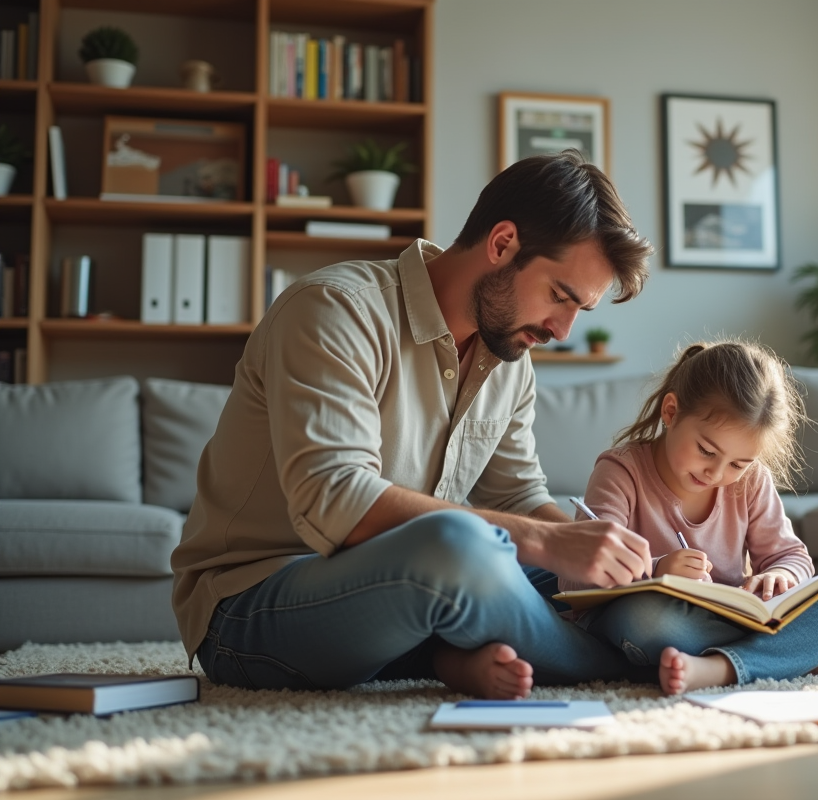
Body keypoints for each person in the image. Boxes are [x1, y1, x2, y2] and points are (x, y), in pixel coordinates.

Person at [171, 151, 657, 700]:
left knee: (631, 591)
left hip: (409, 586)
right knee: (460, 548)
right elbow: (336, 498)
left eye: (579, 312)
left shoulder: (509, 360)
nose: (562, 330)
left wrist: (592, 551)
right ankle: (621, 667)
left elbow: (517, 494)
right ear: (502, 244)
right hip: (254, 603)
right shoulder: (335, 309)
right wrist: (547, 541)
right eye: (559, 296)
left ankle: (482, 647)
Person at [561, 340, 818, 695]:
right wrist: (656, 569)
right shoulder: (621, 471)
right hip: (652, 619)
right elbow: (575, 580)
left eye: (738, 464)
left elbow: (791, 557)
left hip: (726, 616)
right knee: (646, 620)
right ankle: (798, 652)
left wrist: (780, 574)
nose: (715, 472)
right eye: (706, 451)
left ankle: (721, 667)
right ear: (671, 412)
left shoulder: (751, 481)